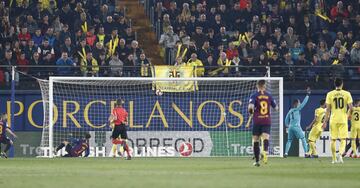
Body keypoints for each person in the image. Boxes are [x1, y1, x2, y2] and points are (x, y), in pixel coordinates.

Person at [247, 80, 278, 166]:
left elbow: (250, 107)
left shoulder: (254, 95)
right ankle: (265, 151)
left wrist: (251, 112)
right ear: (265, 86)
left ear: (257, 86)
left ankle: (257, 161)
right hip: (267, 120)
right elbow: (276, 108)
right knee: (266, 138)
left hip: (257, 120)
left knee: (256, 140)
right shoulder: (269, 96)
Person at [323, 78, 353, 164]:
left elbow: (327, 110)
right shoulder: (347, 94)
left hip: (333, 119)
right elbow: (351, 108)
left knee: (333, 140)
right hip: (343, 119)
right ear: (342, 84)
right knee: (343, 139)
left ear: (334, 84)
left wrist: (325, 122)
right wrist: (349, 115)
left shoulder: (329, 94)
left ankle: (333, 159)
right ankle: (340, 154)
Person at [284, 88, 311, 158]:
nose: (300, 103)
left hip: (290, 127)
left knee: (289, 140)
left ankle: (286, 153)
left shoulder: (290, 110)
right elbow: (304, 103)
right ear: (297, 104)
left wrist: (287, 125)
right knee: (303, 138)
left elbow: (286, 119)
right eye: (299, 103)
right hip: (296, 127)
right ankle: (306, 153)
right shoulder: (298, 108)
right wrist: (307, 95)